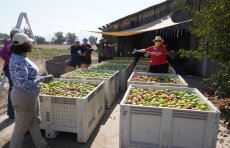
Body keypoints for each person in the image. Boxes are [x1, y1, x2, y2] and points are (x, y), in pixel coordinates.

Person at [9, 33, 54, 148]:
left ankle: (41, 145)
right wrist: (42, 79)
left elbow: (28, 78)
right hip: (24, 97)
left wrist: (39, 79)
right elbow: (24, 84)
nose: (32, 44)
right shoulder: (19, 60)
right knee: (21, 127)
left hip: (30, 95)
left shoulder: (21, 56)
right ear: (25, 45)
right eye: (30, 43)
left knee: (34, 122)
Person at [0, 29, 21, 119]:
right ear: (15, 35)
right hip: (10, 69)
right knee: (14, 90)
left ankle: (14, 112)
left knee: (15, 89)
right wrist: (10, 61)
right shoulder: (11, 43)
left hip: (11, 68)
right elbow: (1, 53)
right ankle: (12, 113)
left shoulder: (12, 42)